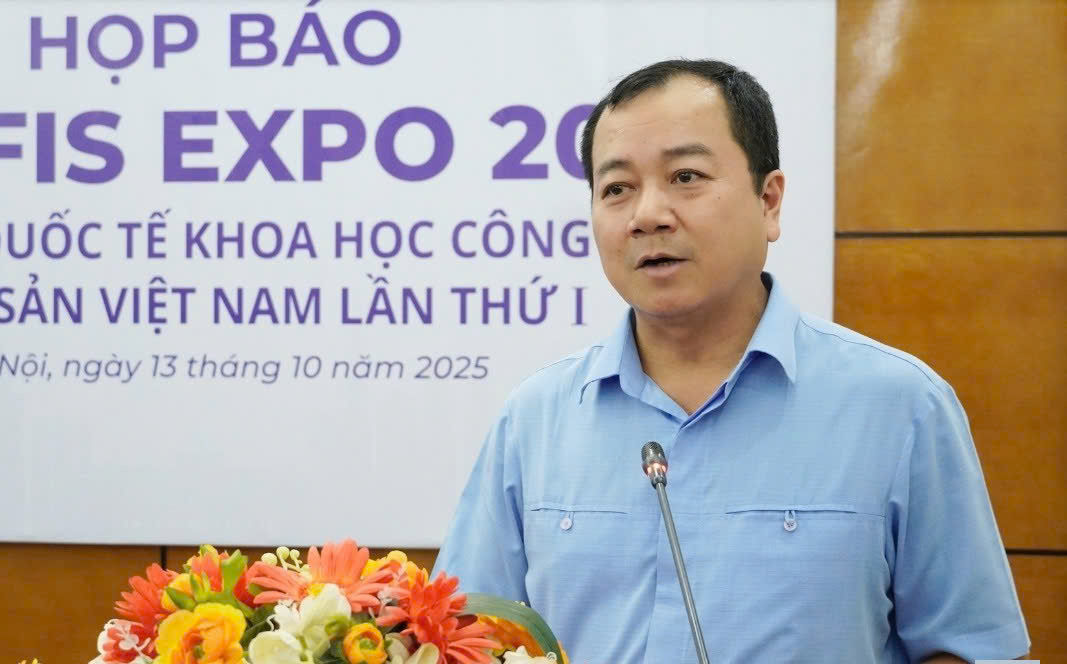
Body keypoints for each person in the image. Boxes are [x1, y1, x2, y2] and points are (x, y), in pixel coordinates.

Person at [434, 59, 1029, 663]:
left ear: (769, 201)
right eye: (616, 188)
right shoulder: (535, 418)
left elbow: (968, 649)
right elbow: (460, 638)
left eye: (685, 176)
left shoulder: (899, 406)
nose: (647, 215)